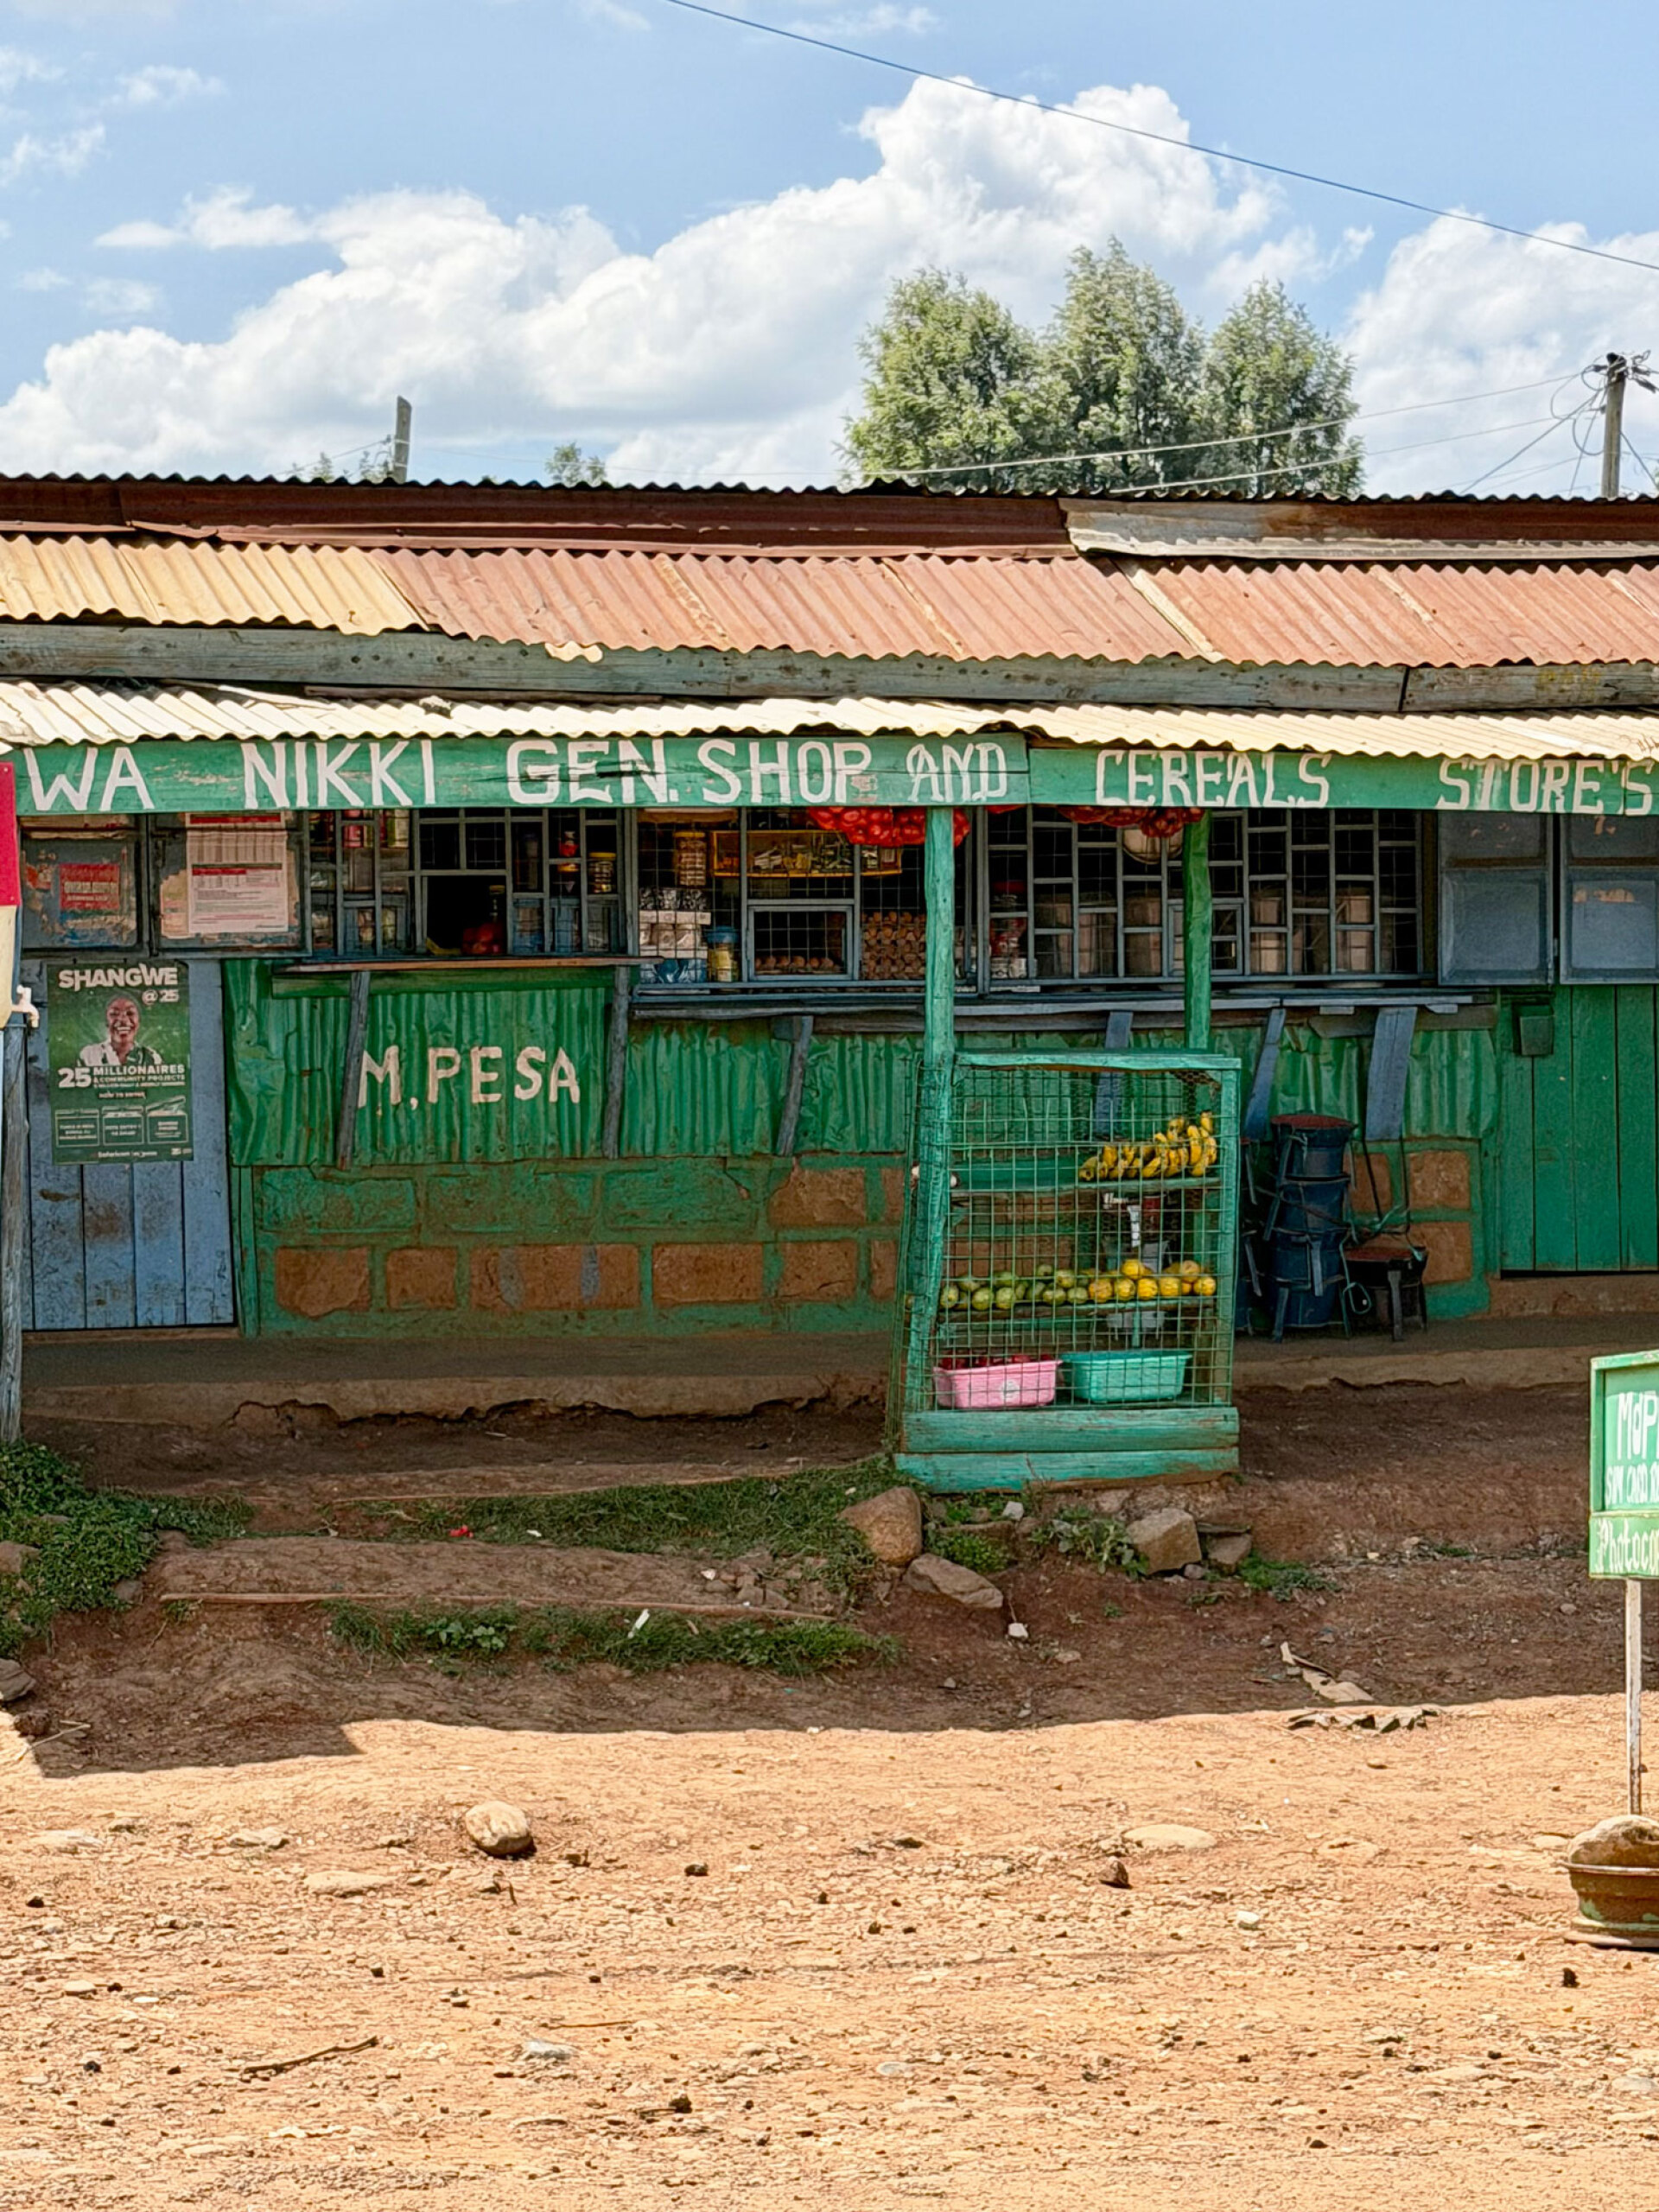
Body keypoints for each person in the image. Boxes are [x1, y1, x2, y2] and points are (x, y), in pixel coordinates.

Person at [78, 995, 164, 1070]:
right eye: (114, 1014)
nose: (123, 1020)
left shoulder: (152, 1057)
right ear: (106, 1022)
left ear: (139, 1022)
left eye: (130, 1013)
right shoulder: (89, 1055)